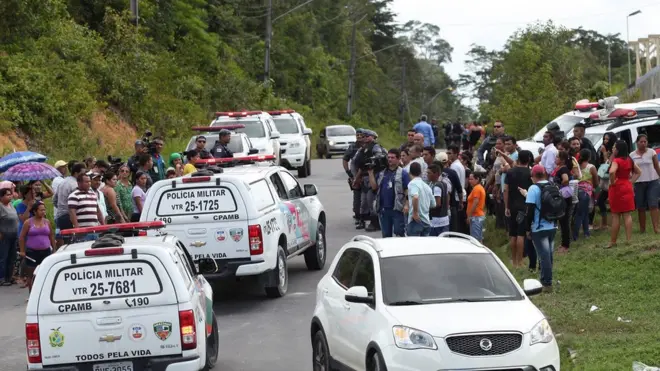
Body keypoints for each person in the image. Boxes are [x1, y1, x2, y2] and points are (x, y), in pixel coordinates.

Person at [523, 165, 558, 292]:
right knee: (548, 255)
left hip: (539, 227)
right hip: (552, 225)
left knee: (544, 256)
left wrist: (527, 229)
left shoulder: (533, 188)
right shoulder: (553, 185)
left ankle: (546, 283)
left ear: (533, 176)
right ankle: (547, 278)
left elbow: (529, 210)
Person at [608, 140, 642, 247]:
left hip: (617, 188)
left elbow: (612, 171)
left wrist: (613, 182)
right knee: (627, 215)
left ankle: (613, 241)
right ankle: (629, 240)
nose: (613, 149)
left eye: (614, 147)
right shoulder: (629, 160)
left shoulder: (616, 160)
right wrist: (630, 182)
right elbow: (639, 171)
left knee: (616, 215)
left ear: (618, 149)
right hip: (627, 186)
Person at [370, 149, 409, 238]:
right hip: (383, 209)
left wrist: (406, 205)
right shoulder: (381, 173)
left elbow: (407, 190)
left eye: (392, 157)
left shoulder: (403, 173)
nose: (390, 159)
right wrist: (370, 173)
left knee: (399, 232)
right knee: (386, 235)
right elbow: (374, 187)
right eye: (388, 157)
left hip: (397, 209)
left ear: (398, 159)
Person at [18, 201, 56, 292]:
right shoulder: (28, 222)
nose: (43, 212)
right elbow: (22, 237)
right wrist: (22, 251)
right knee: (32, 275)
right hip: (32, 252)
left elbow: (51, 236)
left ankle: (45, 294)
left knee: (46, 274)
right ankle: (32, 295)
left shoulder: (47, 222)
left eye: (44, 210)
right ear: (35, 211)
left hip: (46, 251)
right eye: (41, 210)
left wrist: (54, 249)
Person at [504, 150, 533, 268]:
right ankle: (520, 261)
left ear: (518, 159)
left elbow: (505, 189)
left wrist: (506, 206)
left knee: (513, 234)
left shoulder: (510, 172)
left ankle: (514, 260)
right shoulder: (530, 173)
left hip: (512, 206)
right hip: (524, 206)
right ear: (529, 160)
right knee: (521, 234)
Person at [630, 134, 660, 234]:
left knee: (653, 205)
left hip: (653, 181)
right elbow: (631, 170)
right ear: (637, 143)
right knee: (641, 206)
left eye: (645, 142)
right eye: (641, 142)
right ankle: (642, 229)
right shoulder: (632, 155)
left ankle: (656, 227)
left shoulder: (652, 152)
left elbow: (656, 166)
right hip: (639, 183)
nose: (643, 144)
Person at [552, 151, 573, 254]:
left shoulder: (563, 169)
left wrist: (559, 186)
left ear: (562, 160)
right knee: (561, 221)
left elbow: (565, 179)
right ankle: (563, 243)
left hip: (564, 197)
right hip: (560, 197)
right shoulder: (559, 168)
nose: (555, 158)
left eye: (557, 157)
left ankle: (565, 245)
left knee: (564, 221)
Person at [406, 162, 435, 236]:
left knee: (414, 246)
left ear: (409, 172)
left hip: (416, 221)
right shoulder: (427, 186)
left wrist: (415, 213)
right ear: (420, 173)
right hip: (426, 221)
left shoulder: (412, 184)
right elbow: (433, 204)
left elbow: (415, 197)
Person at [574, 149, 598, 240]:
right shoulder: (591, 167)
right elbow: (596, 182)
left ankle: (586, 232)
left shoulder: (577, 166)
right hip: (585, 192)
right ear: (589, 157)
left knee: (581, 213)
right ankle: (576, 235)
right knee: (581, 214)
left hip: (576, 191)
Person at [343, 129, 364, 224]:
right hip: (355, 174)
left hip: (367, 175)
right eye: (357, 135)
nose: (359, 136)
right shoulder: (352, 147)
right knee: (357, 196)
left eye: (361, 135)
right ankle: (358, 215)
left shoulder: (369, 146)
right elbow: (345, 160)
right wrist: (349, 173)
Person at [0, 188, 20, 286]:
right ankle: (2, 278)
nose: (10, 196)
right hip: (4, 235)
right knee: (3, 257)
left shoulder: (11, 205)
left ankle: (9, 276)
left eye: (10, 194)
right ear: (1, 197)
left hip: (14, 234)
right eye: (7, 195)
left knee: (12, 257)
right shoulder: (0, 207)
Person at [427, 163, 450, 236]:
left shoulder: (436, 186)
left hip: (436, 221)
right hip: (445, 219)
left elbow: (438, 203)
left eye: (429, 173)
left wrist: (426, 207)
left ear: (436, 174)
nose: (427, 174)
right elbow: (446, 200)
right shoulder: (444, 184)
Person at [466, 173, 486, 243]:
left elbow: (475, 202)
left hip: (476, 217)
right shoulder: (478, 187)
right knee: (479, 239)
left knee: (475, 240)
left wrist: (469, 216)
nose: (469, 181)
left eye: (472, 179)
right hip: (478, 216)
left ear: (477, 179)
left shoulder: (477, 189)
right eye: (469, 179)